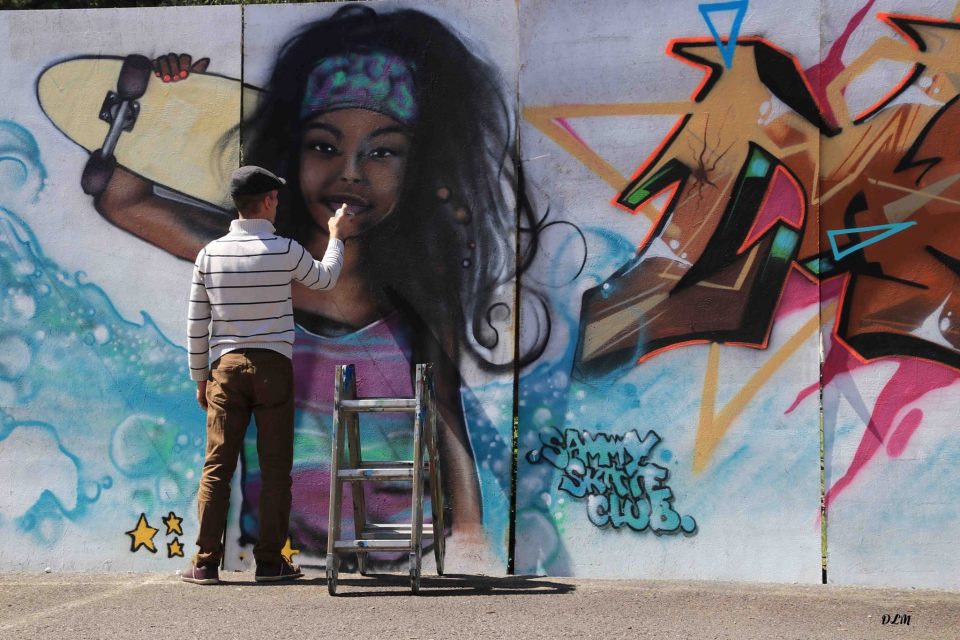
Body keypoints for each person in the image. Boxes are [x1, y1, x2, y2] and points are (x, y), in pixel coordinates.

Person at [90, 3, 551, 565]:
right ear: (291, 154)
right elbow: (123, 199)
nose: (350, 172)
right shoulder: (256, 251)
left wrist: (471, 534)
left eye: (382, 151)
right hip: (293, 554)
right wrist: (162, 100)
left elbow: (446, 414)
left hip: (404, 549)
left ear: (418, 168)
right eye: (324, 146)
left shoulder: (414, 294)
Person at [180, 165, 351, 584]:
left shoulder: (210, 254)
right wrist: (336, 236)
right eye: (276, 198)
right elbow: (325, 279)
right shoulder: (284, 249)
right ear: (269, 201)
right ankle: (270, 562)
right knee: (275, 469)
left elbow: (197, 321)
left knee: (217, 465)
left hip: (225, 368)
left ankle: (205, 562)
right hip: (273, 367)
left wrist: (200, 377)